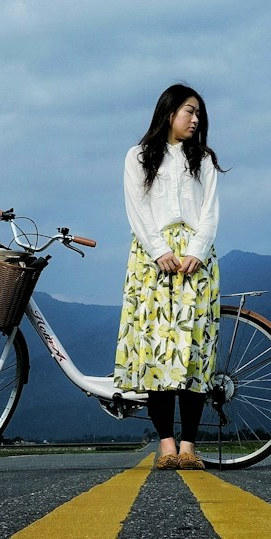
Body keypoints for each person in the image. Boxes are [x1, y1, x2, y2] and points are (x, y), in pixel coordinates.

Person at [113, 83, 224, 470]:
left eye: (199, 115)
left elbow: (210, 212)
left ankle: (190, 445)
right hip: (151, 260)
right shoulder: (139, 155)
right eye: (189, 111)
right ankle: (166, 446)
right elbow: (137, 208)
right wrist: (159, 249)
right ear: (169, 111)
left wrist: (195, 250)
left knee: (193, 351)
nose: (195, 120)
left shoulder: (204, 159)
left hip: (197, 259)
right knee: (156, 351)